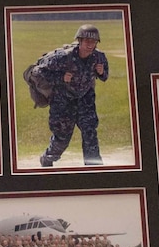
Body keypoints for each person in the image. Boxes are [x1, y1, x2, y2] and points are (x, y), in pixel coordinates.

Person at [27, 24, 110, 167]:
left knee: (90, 133)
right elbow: (36, 72)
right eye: (87, 41)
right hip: (62, 101)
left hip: (85, 100)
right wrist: (60, 78)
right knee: (62, 139)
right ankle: (47, 159)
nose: (90, 45)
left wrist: (102, 72)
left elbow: (104, 76)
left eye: (94, 42)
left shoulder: (99, 57)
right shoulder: (63, 57)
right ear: (80, 41)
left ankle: (94, 168)